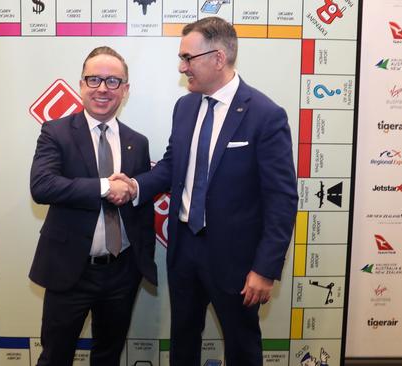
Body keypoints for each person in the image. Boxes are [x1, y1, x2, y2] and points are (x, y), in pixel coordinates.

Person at [113, 17, 298, 366]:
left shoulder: (265, 115)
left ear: (218, 58)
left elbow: (282, 199)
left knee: (242, 346)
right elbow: (171, 165)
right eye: (181, 59)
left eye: (187, 58)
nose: (182, 68)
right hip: (184, 249)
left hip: (237, 260)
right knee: (183, 340)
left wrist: (265, 268)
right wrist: (136, 185)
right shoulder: (186, 107)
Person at [29, 46, 157, 366]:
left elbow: (138, 202)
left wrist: (131, 191)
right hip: (71, 270)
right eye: (94, 79)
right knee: (55, 356)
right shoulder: (56, 131)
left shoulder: (137, 141)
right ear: (81, 85)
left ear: (125, 90)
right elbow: (42, 186)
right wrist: (105, 186)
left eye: (113, 81)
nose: (103, 88)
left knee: (108, 356)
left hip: (122, 271)